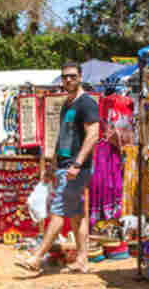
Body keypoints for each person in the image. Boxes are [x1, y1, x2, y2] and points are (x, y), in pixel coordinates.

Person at [17, 63, 100, 274]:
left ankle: (37, 257)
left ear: (80, 77)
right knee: (76, 215)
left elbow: (94, 135)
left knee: (58, 211)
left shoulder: (86, 103)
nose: (68, 80)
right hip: (64, 166)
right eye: (65, 77)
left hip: (76, 168)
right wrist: (52, 165)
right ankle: (82, 260)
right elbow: (62, 137)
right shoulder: (67, 104)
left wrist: (77, 164)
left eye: (72, 76)